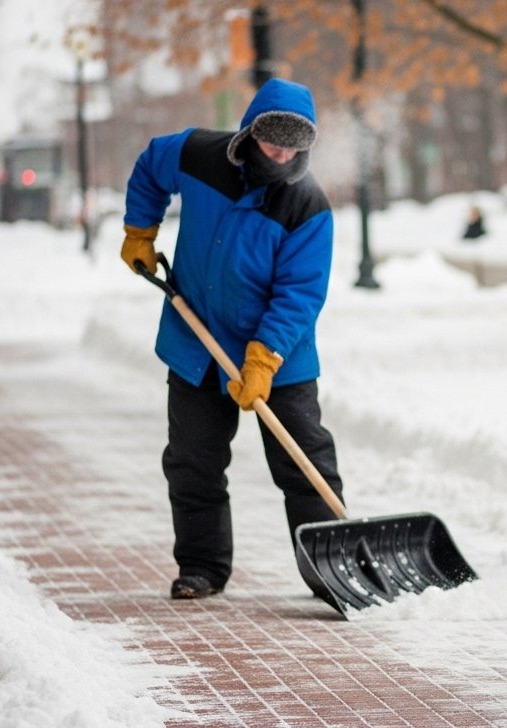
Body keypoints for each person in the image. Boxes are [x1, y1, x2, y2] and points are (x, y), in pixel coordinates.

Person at [119, 78, 343, 601]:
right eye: (272, 144)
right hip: (197, 341)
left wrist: (263, 357)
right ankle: (200, 568)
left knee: (303, 463)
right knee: (192, 461)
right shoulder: (200, 154)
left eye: (293, 148)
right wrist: (140, 230)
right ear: (251, 133)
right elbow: (152, 164)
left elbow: (299, 294)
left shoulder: (306, 206)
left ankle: (330, 572)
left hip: (278, 356)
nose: (282, 156)